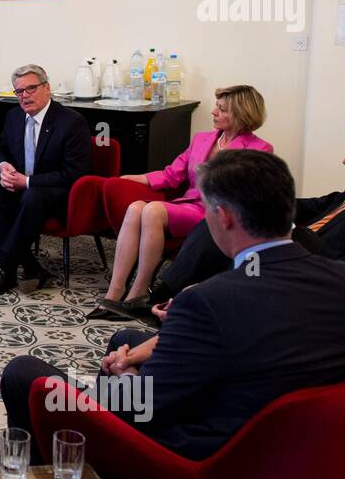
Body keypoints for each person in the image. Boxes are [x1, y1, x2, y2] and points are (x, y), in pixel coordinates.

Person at [0, 150, 345, 460]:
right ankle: (91, 457)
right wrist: (146, 353)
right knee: (123, 340)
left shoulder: (208, 301)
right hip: (295, 447)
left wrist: (127, 378)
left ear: (223, 217)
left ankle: (81, 475)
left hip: (196, 455)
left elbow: (145, 405)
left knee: (23, 373)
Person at [119, 118, 345, 325]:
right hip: (307, 257)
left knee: (243, 237)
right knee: (224, 217)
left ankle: (179, 306)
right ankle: (165, 299)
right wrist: (262, 199)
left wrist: (291, 235)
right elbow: (321, 205)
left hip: (320, 282)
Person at [90, 85, 271, 319]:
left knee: (153, 210)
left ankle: (139, 293)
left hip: (215, 214)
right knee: (136, 208)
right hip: (189, 205)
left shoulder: (259, 149)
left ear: (241, 114)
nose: (214, 111)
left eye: (222, 109)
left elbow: (249, 195)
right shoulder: (202, 139)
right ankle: (115, 292)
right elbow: (171, 174)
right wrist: (126, 178)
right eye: (216, 106)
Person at [0, 64, 92, 296]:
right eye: (19, 91)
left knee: (33, 196)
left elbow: (74, 174)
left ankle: (5, 269)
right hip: (23, 191)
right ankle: (31, 267)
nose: (25, 96)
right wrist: (2, 167)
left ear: (47, 88)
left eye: (31, 88)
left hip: (61, 195)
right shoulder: (14, 117)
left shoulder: (71, 122)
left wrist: (27, 182)